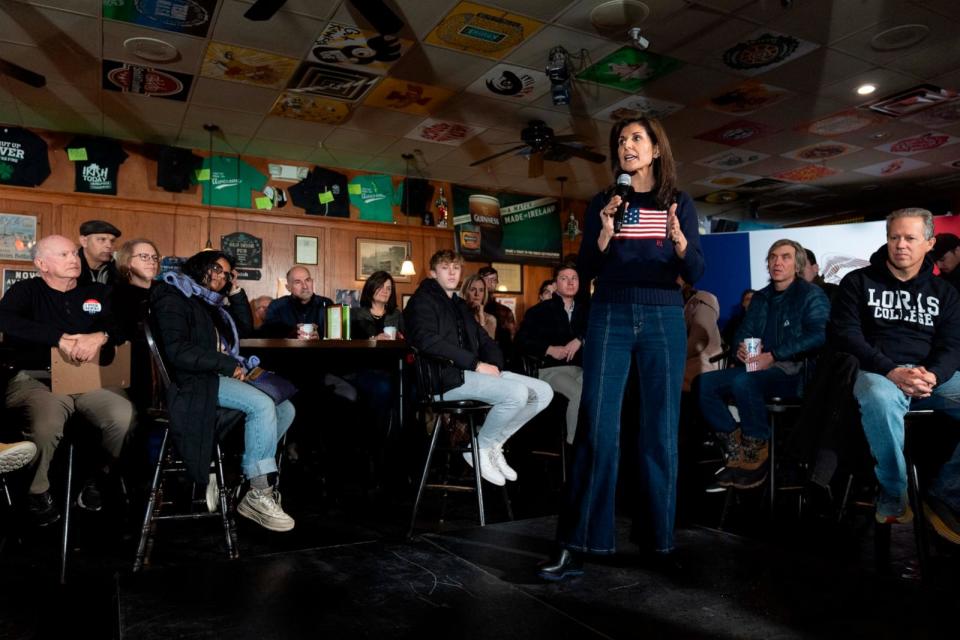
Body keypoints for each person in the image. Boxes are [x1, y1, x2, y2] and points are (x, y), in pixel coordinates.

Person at [540, 117, 704, 581]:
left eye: (636, 138)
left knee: (660, 431)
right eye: (621, 140)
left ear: (655, 149)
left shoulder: (680, 203)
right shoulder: (604, 202)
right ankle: (578, 542)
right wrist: (604, 233)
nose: (626, 145)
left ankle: (660, 543)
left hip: (663, 316)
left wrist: (680, 241)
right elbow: (589, 266)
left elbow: (696, 271)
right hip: (610, 312)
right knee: (596, 427)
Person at [830, 208, 960, 543]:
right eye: (894, 237)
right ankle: (894, 492)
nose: (900, 244)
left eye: (910, 238)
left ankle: (944, 490)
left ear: (929, 242)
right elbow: (847, 335)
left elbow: (952, 344)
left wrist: (932, 375)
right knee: (877, 396)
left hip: (929, 374)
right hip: (878, 371)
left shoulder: (944, 292)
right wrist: (892, 370)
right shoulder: (858, 282)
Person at [150, 250, 296, 532]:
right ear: (198, 265)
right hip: (193, 382)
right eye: (215, 269)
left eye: (226, 274)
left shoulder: (208, 302)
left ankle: (236, 475)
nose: (220, 276)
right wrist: (226, 363)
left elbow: (243, 329)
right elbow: (177, 351)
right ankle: (258, 491)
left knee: (285, 407)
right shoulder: (173, 295)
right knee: (263, 405)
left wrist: (236, 288)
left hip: (215, 375)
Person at [0, 235, 135, 525]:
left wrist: (101, 336)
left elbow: (121, 326)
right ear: (41, 264)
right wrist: (58, 338)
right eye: (63, 255)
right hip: (37, 380)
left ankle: (98, 480)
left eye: (74, 254)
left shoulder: (96, 292)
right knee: (48, 420)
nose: (73, 259)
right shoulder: (25, 291)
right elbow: (7, 321)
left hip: (87, 380)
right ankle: (38, 492)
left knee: (122, 416)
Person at [405, 250, 553, 486]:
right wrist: (475, 364)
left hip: (470, 373)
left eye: (456, 267)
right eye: (445, 267)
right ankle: (479, 448)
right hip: (443, 380)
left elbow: (485, 339)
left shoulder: (459, 305)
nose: (452, 272)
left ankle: (491, 443)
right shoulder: (422, 301)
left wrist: (493, 365)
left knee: (544, 392)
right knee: (516, 393)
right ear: (433, 273)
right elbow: (427, 341)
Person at [697, 240, 830, 489]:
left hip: (795, 373)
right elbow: (743, 332)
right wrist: (739, 348)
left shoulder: (811, 294)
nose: (777, 262)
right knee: (704, 383)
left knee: (743, 381)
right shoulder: (761, 297)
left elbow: (819, 335)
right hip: (758, 369)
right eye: (772, 257)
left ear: (798, 264)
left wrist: (775, 355)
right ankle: (736, 446)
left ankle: (756, 449)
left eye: (786, 257)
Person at [515, 262, 588, 444]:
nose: (570, 282)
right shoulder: (540, 311)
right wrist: (549, 349)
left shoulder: (588, 311)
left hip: (582, 369)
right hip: (550, 370)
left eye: (574, 278)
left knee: (597, 391)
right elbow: (520, 341)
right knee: (579, 393)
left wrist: (580, 339)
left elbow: (599, 333)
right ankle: (575, 446)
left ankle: (595, 443)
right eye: (564, 278)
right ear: (555, 284)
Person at [112, 238, 161, 409]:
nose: (151, 262)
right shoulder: (116, 295)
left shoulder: (165, 293)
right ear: (128, 262)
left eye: (154, 258)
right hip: (132, 370)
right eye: (144, 257)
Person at [262, 266, 334, 338]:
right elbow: (267, 337)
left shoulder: (327, 304)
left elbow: (335, 338)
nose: (305, 286)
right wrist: (291, 335)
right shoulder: (276, 306)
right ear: (288, 287)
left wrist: (320, 338)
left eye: (307, 280)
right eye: (298, 282)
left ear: (312, 282)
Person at [681, 283, 723, 393]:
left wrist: (671, 359)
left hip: (702, 363)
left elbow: (699, 341)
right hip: (685, 363)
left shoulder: (703, 299)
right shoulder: (674, 306)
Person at [352, 271, 405, 340]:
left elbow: (407, 343)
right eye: (380, 287)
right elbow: (350, 345)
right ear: (370, 288)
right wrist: (374, 340)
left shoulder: (396, 315)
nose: (385, 291)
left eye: (388, 288)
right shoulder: (356, 315)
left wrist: (401, 339)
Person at [77, 219, 121, 286]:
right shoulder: (68, 268)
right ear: (84, 241)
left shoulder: (119, 270)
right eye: (102, 239)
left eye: (112, 241)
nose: (109, 246)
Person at [460, 273, 497, 340]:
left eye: (481, 290)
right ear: (464, 291)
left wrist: (481, 319)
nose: (477, 294)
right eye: (473, 289)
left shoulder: (490, 319)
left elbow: (489, 346)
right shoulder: (455, 314)